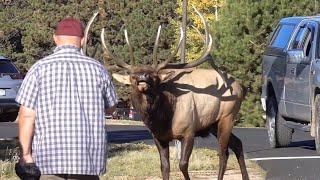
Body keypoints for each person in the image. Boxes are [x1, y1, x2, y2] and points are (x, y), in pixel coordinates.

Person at [16, 17, 118, 180]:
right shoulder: (98, 69)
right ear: (83, 40)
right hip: (87, 162)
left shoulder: (39, 69)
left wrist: (26, 154)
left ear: (55, 39)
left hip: (48, 160)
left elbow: (27, 115)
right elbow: (111, 108)